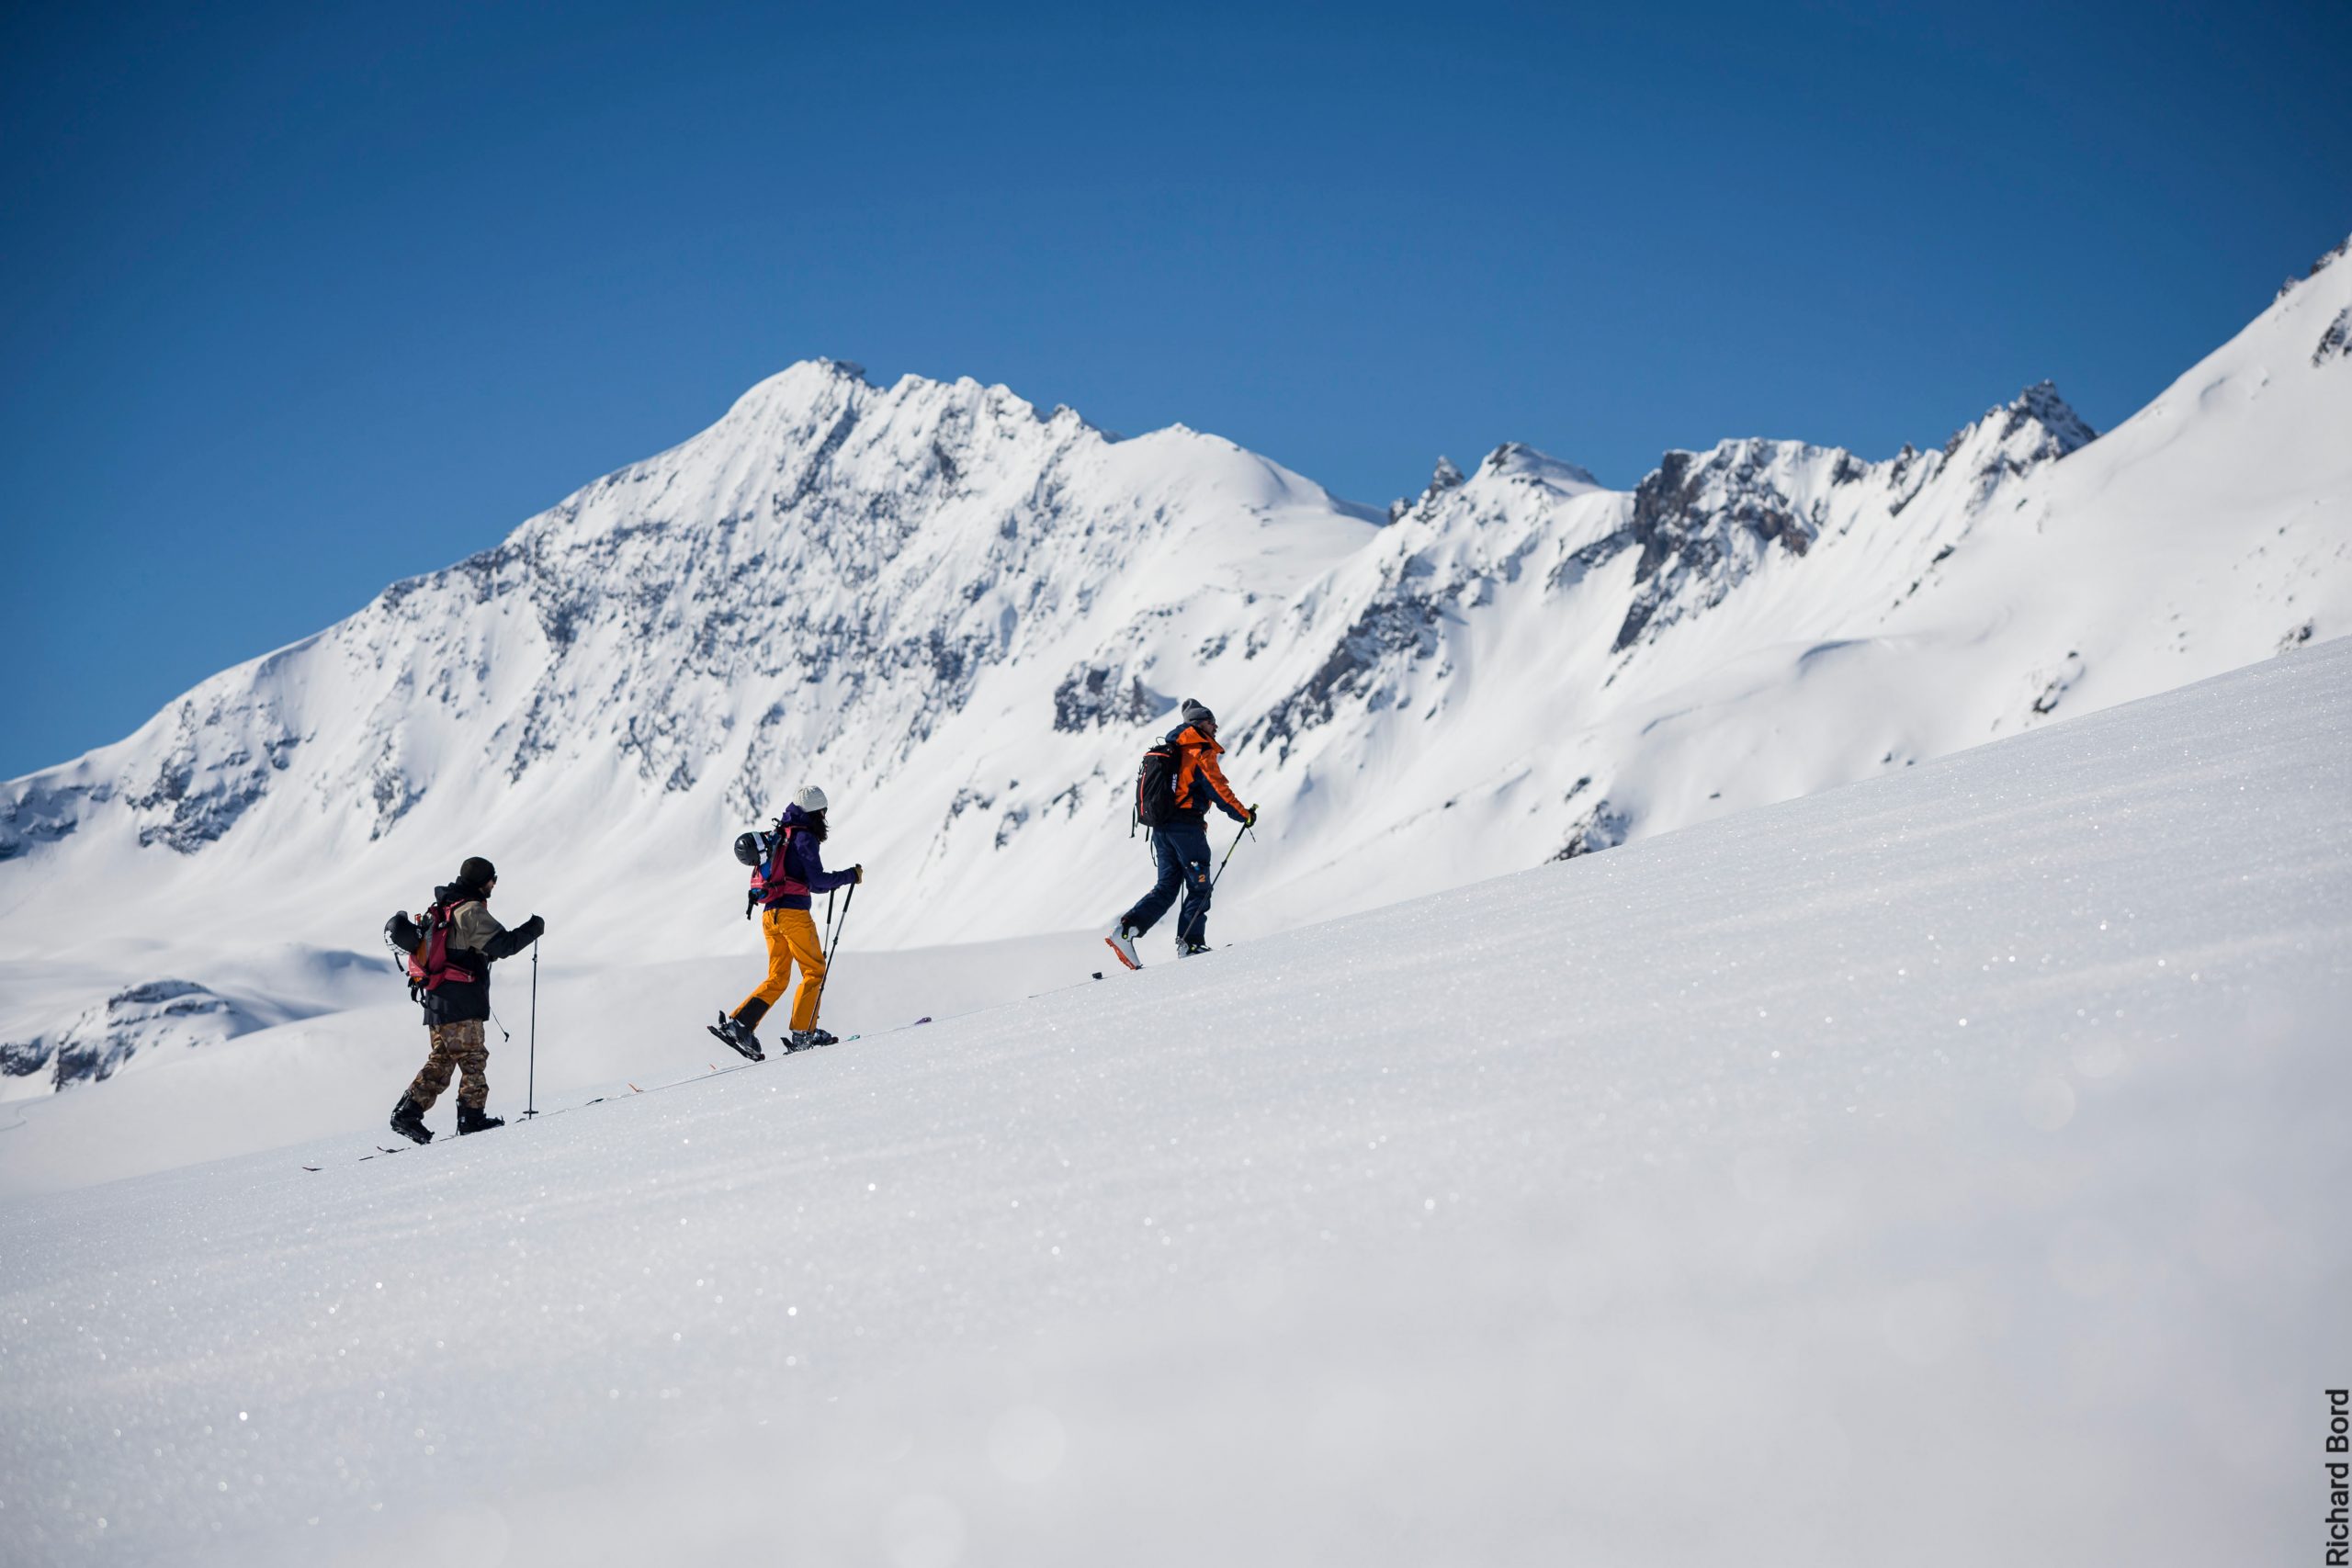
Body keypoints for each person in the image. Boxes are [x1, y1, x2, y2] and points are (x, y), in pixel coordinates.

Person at [388, 856, 544, 1145]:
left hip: (437, 1000)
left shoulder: (446, 905)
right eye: (492, 879)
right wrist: (533, 929)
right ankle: (472, 1118)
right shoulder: (469, 910)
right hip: (459, 1000)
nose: (494, 885)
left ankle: (407, 1112)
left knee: (442, 1061)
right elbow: (503, 945)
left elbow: (468, 949)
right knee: (474, 1058)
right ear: (482, 881)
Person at [713, 784, 863, 1060]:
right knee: (814, 970)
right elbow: (817, 882)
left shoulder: (780, 833)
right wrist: (849, 876)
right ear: (818, 812)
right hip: (793, 915)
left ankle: (740, 1025)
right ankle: (803, 1033)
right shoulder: (804, 838)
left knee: (778, 977)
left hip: (770, 915)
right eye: (824, 812)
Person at [1106, 698, 1257, 968]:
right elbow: (1219, 789)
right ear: (1200, 723)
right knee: (1199, 886)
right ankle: (1191, 944)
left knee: (1166, 888)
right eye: (1212, 722)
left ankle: (1126, 931)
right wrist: (1244, 815)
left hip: (1162, 829)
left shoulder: (1174, 748)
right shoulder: (1198, 750)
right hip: (1186, 829)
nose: (1216, 727)